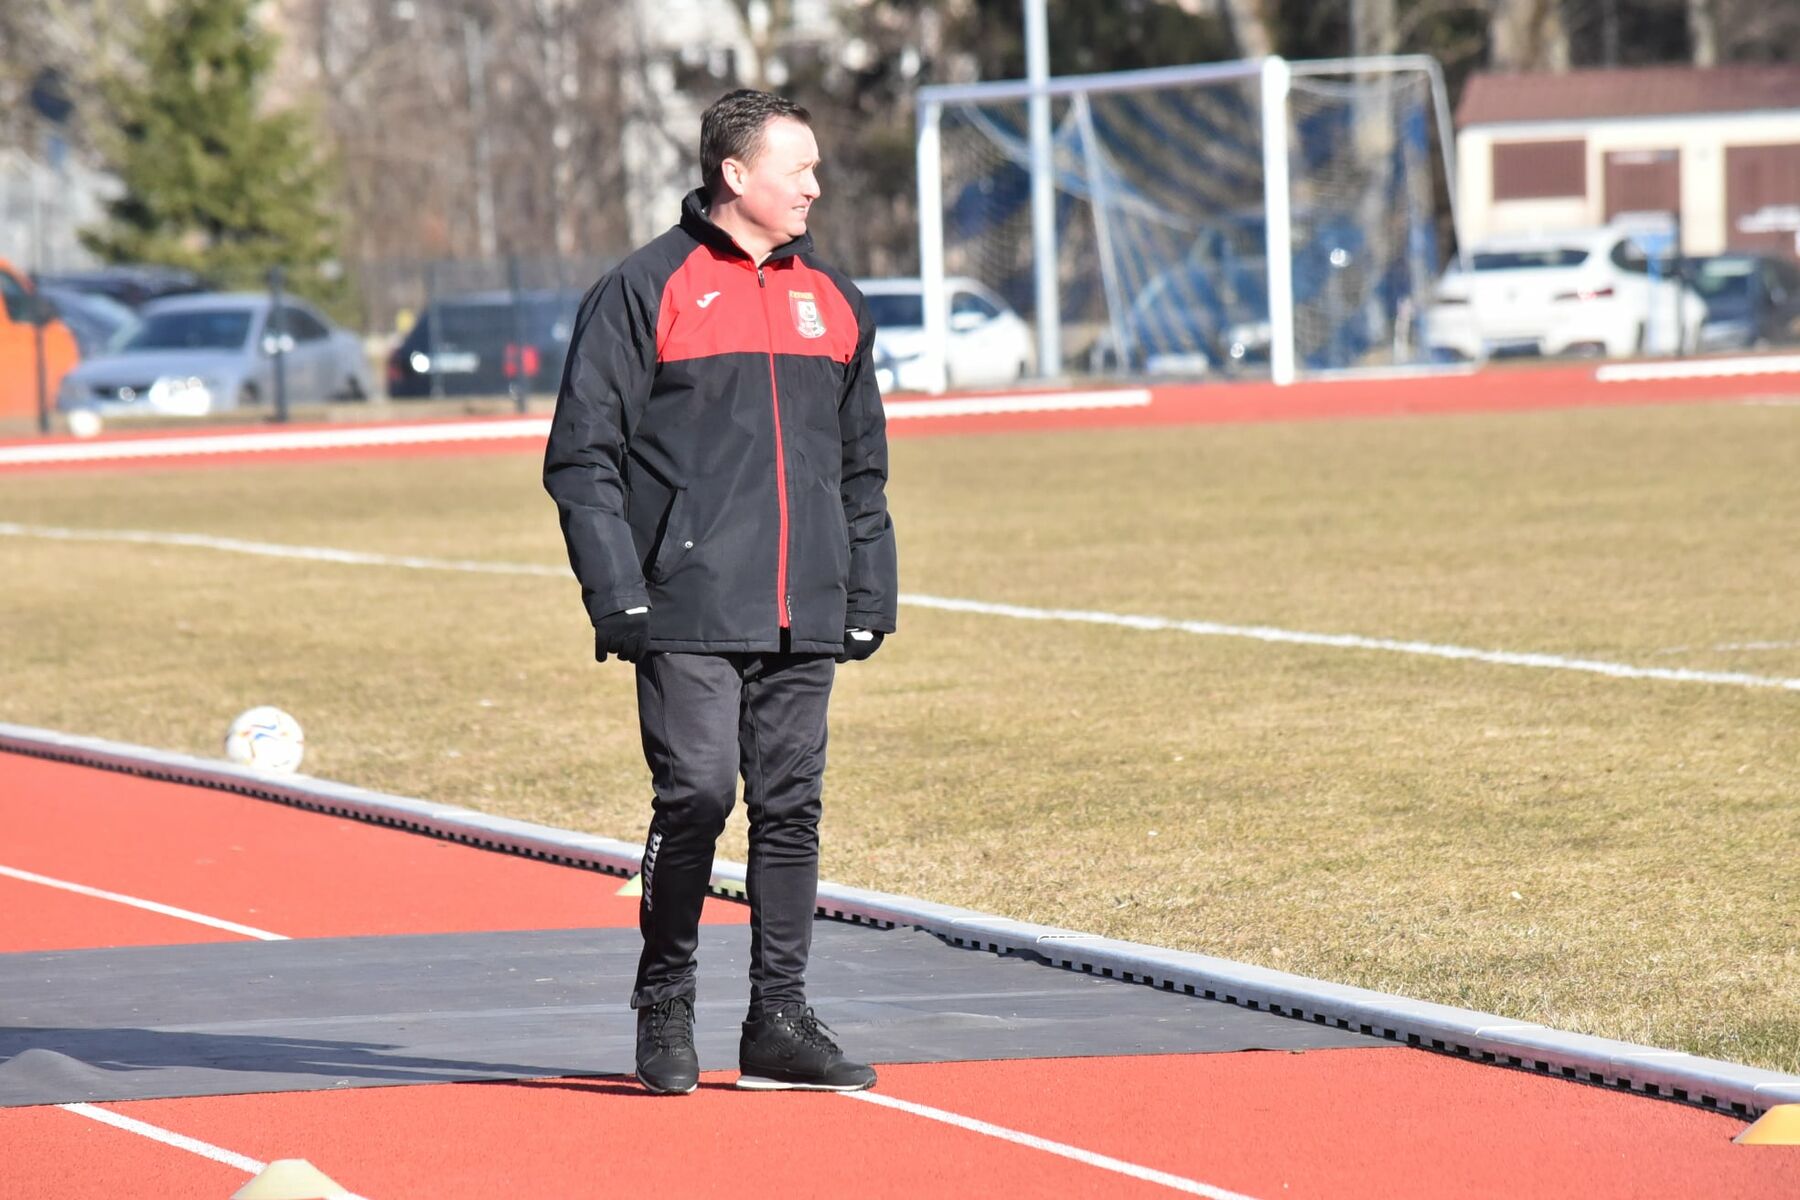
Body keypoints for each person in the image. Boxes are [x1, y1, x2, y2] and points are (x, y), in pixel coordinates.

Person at [544, 88, 898, 1096]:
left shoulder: (832, 297)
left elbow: (861, 466)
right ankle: (666, 1000)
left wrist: (868, 582)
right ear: (736, 176)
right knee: (697, 793)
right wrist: (617, 592)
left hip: (807, 605)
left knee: (791, 808)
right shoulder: (642, 287)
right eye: (801, 169)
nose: (816, 186)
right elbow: (582, 459)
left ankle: (779, 1020)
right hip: (684, 603)